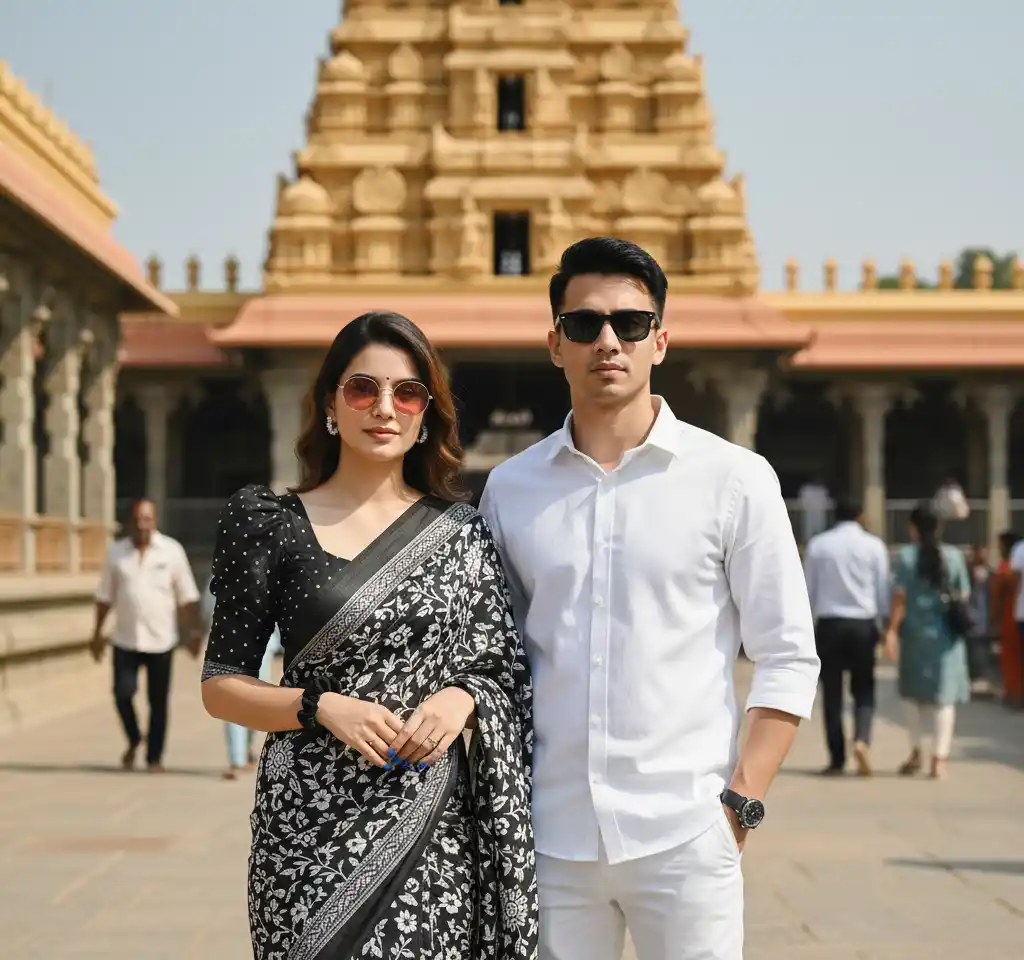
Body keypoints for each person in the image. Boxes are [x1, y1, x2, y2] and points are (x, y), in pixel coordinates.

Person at [478, 237, 820, 960]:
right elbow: (492, 657)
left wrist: (741, 802)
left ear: (660, 340)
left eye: (630, 324)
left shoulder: (733, 478)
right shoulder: (511, 488)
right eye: (584, 325)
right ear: (555, 344)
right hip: (553, 834)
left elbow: (787, 652)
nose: (608, 341)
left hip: (687, 831)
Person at [199, 312, 537, 960]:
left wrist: (461, 699)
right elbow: (221, 687)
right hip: (306, 835)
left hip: (431, 834)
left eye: (406, 393)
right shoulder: (268, 522)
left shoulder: (461, 531)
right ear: (331, 403)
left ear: (425, 413)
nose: (385, 408)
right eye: (362, 389)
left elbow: (502, 667)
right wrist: (320, 707)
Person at [91, 498, 203, 772]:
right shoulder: (117, 553)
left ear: (155, 521)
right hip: (126, 639)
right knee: (122, 694)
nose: (143, 524)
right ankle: (133, 737)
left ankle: (154, 758)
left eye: (148, 519)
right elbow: (105, 597)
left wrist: (193, 632)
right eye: (139, 519)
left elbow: (187, 596)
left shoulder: (171, 551)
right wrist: (96, 634)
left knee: (158, 703)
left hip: (160, 640)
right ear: (131, 521)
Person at [884, 502, 970, 780]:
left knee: (913, 697)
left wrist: (891, 631)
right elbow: (964, 595)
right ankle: (939, 759)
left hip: (915, 636)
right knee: (944, 699)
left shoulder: (907, 558)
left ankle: (916, 751)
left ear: (913, 528)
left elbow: (900, 598)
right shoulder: (954, 557)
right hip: (946, 638)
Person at [803, 499, 890, 776]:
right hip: (863, 623)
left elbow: (808, 589)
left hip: (830, 624)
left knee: (832, 693)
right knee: (864, 688)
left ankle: (837, 757)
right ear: (860, 514)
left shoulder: (819, 545)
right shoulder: (874, 546)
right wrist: (884, 624)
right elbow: (882, 589)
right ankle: (862, 739)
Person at [200, 574, 283, 779]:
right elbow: (207, 608)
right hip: (228, 647)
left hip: (262, 648)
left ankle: (245, 749)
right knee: (232, 700)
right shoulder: (220, 573)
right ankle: (236, 759)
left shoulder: (272, 570)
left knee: (256, 699)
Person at [990, 530, 1022, 706]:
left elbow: (996, 595)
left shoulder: (1005, 568)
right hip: (1015, 615)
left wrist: (993, 619)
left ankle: (1014, 695)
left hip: (1009, 616)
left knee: (1011, 657)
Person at [966, 544, 993, 695]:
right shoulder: (968, 570)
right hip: (972, 616)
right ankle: (972, 680)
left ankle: (983, 681)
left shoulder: (990, 571)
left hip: (985, 617)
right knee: (972, 650)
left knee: (984, 650)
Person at [797, 473, 831, 546]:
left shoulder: (823, 489)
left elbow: (827, 502)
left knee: (820, 532)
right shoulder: (806, 488)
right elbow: (801, 501)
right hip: (808, 514)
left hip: (820, 515)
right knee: (808, 533)